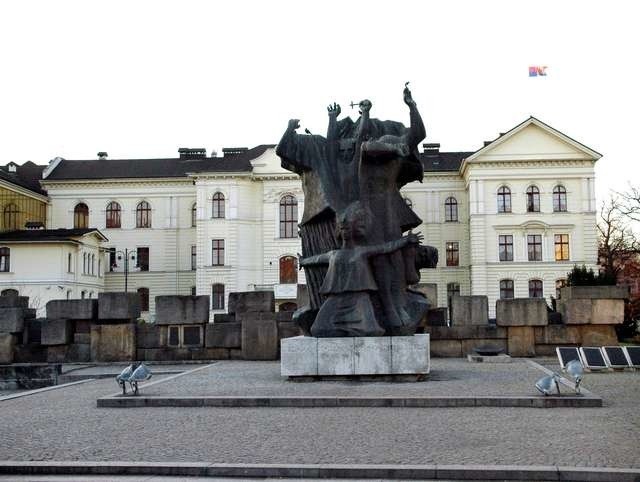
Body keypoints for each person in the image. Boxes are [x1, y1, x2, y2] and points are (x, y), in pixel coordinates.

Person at [300, 202, 422, 337]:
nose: (345, 232)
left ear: (353, 230)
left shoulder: (361, 251)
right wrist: (302, 261)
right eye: (343, 229)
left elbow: (386, 247)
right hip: (336, 298)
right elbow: (316, 259)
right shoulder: (333, 254)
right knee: (319, 328)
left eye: (347, 229)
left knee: (370, 329)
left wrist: (406, 241)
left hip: (359, 298)